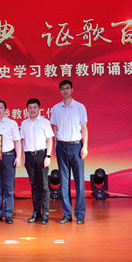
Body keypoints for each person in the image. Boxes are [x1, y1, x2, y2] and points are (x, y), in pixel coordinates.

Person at [50, 80, 88, 225]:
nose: (65, 91)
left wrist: (85, 147)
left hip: (76, 146)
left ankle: (80, 214)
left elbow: (84, 128)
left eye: (67, 88)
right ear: (60, 91)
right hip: (61, 147)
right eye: (62, 89)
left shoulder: (80, 107)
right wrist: (55, 146)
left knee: (79, 182)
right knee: (64, 182)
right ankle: (66, 214)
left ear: (72, 90)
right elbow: (55, 128)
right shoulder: (56, 108)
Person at [20, 98, 54, 225]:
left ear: (39, 109)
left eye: (35, 107)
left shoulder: (45, 122)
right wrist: (23, 157)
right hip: (29, 156)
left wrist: (48, 156)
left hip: (41, 155)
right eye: (30, 108)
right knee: (34, 186)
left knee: (44, 186)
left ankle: (45, 213)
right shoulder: (24, 123)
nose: (32, 110)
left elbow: (50, 140)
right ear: (27, 109)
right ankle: (36, 213)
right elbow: (23, 141)